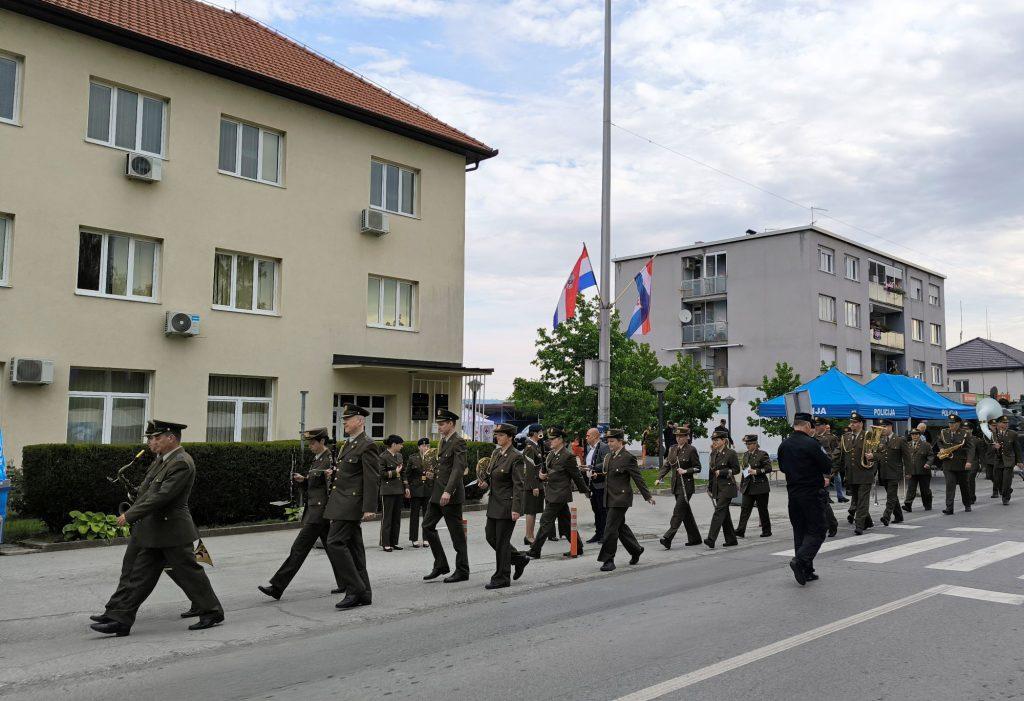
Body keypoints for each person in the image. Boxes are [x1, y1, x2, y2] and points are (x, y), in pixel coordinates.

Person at [91, 420, 224, 636]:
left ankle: (212, 611)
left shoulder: (181, 462)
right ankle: (121, 620)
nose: (153, 441)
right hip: (157, 531)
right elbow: (149, 491)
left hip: (173, 531)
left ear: (171, 438)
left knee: (190, 573)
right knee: (140, 577)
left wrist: (131, 515)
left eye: (157, 437)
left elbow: (162, 496)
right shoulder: (165, 461)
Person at [258, 427, 347, 600]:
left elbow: (332, 484)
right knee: (333, 549)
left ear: (322, 441)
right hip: (316, 510)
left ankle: (277, 586)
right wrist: (304, 480)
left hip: (320, 512)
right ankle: (347, 582)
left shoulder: (330, 459)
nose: (310, 446)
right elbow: (315, 483)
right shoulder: (318, 459)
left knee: (298, 549)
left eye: (313, 442)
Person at [323, 404, 380, 610]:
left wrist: (369, 507)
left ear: (360, 421)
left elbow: (371, 478)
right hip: (342, 501)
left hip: (351, 503)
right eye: (344, 419)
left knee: (335, 542)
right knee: (355, 550)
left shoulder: (367, 445)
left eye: (348, 418)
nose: (344, 422)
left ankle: (354, 588)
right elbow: (349, 472)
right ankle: (364, 593)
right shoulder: (348, 444)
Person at [778, 412, 833, 585]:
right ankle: (800, 561)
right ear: (808, 426)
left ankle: (806, 571)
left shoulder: (784, 445)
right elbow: (827, 465)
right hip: (811, 493)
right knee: (818, 530)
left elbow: (782, 468)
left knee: (800, 531)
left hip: (793, 494)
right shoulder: (811, 444)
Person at [476, 423, 530, 589]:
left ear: (509, 437)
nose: (497, 437)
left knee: (501, 542)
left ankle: (502, 577)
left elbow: (518, 485)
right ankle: (519, 559)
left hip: (507, 505)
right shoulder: (496, 453)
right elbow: (493, 475)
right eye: (496, 435)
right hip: (494, 503)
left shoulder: (516, 457)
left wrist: (516, 508)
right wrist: (485, 484)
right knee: (490, 537)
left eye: (500, 435)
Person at [526, 427, 591, 560]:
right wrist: (541, 475)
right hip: (551, 492)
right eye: (549, 439)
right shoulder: (551, 454)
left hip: (560, 494)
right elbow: (545, 471)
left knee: (545, 520)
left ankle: (535, 550)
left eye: (553, 439)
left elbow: (576, 476)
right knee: (566, 523)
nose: (550, 442)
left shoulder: (568, 456)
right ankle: (578, 547)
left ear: (560, 440)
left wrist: (585, 490)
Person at [421, 409, 470, 583]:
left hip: (450, 495)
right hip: (437, 494)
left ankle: (462, 570)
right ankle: (441, 564)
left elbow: (458, 469)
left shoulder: (458, 442)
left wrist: (448, 491)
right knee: (427, 526)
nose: (439, 427)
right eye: (439, 424)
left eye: (442, 424)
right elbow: (444, 467)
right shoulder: (443, 441)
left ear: (451, 424)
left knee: (456, 534)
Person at [597, 429, 655, 571]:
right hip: (610, 497)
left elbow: (638, 477)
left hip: (621, 498)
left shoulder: (628, 457)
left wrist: (647, 496)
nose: (609, 444)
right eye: (608, 441)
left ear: (620, 441)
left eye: (612, 441)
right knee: (620, 527)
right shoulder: (610, 457)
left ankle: (608, 560)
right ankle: (636, 550)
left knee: (610, 528)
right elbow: (608, 475)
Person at [656, 427, 703, 549]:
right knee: (685, 513)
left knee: (678, 511)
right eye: (677, 436)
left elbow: (698, 467)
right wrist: (659, 477)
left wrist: (685, 470)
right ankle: (695, 538)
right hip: (676, 486)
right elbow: (667, 465)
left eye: (681, 436)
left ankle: (668, 538)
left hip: (686, 486)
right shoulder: (672, 449)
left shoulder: (691, 450)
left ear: (687, 437)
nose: (678, 438)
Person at [841, 412, 874, 535]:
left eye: (855, 422)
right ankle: (868, 521)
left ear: (860, 423)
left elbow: (880, 452)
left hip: (865, 474)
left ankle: (859, 525)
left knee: (862, 501)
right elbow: (840, 455)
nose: (852, 424)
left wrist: (873, 456)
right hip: (851, 475)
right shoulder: (846, 437)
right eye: (851, 422)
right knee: (857, 500)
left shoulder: (868, 436)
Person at [704, 430, 739, 549]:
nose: (715, 442)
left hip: (728, 487)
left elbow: (736, 469)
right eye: (713, 440)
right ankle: (731, 539)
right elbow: (711, 472)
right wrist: (709, 487)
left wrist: (723, 472)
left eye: (717, 440)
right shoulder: (713, 454)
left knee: (718, 512)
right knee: (724, 514)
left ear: (724, 441)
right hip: (716, 487)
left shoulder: (731, 453)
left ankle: (711, 539)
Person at [735, 434, 773, 538]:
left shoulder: (762, 454)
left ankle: (766, 530)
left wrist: (756, 471)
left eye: (749, 444)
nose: (747, 446)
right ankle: (740, 530)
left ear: (755, 444)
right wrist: (741, 484)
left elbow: (768, 468)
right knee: (745, 509)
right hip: (748, 486)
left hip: (760, 487)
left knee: (762, 509)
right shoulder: (746, 455)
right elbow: (744, 471)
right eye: (746, 444)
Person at [871, 419, 904, 526]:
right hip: (884, 473)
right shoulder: (881, 441)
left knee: (890, 496)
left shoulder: (899, 440)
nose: (882, 429)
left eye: (884, 427)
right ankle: (899, 516)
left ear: (891, 427)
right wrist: (872, 457)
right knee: (893, 496)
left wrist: (908, 471)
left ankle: (886, 516)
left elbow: (907, 457)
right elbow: (879, 456)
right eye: (881, 427)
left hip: (894, 473)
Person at [939, 414, 973, 515]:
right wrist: (941, 448)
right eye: (950, 423)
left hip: (961, 464)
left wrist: (969, 461)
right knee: (950, 486)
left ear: (958, 423)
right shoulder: (944, 432)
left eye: (953, 423)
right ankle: (949, 508)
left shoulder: (965, 433)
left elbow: (971, 449)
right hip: (948, 464)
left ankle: (967, 504)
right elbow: (939, 441)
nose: (951, 425)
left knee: (964, 486)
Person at [812, 417, 840, 537]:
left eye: (819, 425)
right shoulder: (810, 439)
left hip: (821, 476)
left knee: (823, 501)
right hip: (811, 476)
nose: (817, 427)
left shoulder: (822, 441)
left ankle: (832, 523)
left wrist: (827, 476)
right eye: (815, 425)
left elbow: (828, 459)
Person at [583, 427, 610, 543]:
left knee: (602, 510)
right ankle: (598, 533)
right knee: (596, 510)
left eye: (588, 435)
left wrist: (591, 467)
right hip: (592, 484)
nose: (586, 438)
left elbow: (606, 463)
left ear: (595, 436)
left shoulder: (603, 447)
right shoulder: (590, 448)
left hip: (601, 484)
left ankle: (605, 534)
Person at [379, 435, 405, 552]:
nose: (402, 446)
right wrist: (395, 472)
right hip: (388, 490)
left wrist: (406, 487)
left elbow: (403, 473)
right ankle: (385, 543)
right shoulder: (383, 457)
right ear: (394, 444)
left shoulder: (399, 455)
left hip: (399, 489)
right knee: (387, 518)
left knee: (396, 518)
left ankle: (394, 542)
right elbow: (381, 474)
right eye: (400, 444)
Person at [520, 424, 545, 546]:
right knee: (530, 511)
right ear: (534, 433)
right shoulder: (530, 447)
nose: (542, 433)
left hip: (537, 483)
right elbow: (529, 468)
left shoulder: (536, 446)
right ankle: (528, 536)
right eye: (540, 431)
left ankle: (531, 535)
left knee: (534, 510)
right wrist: (534, 485)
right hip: (532, 484)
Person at [405, 438, 431, 548]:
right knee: (414, 515)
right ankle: (414, 538)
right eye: (423, 446)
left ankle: (426, 538)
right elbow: (407, 474)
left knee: (428, 516)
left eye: (427, 446)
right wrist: (407, 487)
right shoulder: (412, 458)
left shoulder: (432, 458)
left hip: (428, 489)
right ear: (419, 447)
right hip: (415, 489)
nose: (425, 448)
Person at [990, 415, 1022, 505]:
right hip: (998, 460)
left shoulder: (1012, 434)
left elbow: (1017, 449)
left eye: (1007, 423)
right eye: (1004, 422)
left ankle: (1005, 498)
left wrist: (1019, 461)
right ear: (999, 424)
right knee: (998, 480)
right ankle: (1007, 489)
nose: (1006, 424)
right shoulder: (993, 434)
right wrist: (994, 447)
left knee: (1007, 480)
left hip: (1009, 460)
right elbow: (990, 447)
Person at [902, 428, 933, 512]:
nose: (914, 436)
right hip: (912, 471)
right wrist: (906, 471)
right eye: (913, 434)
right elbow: (905, 458)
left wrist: (928, 464)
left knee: (925, 490)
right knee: (911, 489)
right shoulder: (907, 445)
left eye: (916, 434)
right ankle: (908, 504)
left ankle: (927, 505)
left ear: (919, 435)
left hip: (923, 471)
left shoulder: (926, 445)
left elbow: (931, 456)